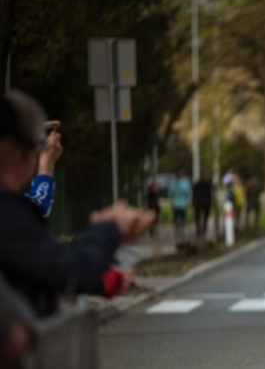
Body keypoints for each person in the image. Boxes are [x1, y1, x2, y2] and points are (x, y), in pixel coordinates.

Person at [0, 90, 154, 317]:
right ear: (24, 153)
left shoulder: (12, 212)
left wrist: (46, 162)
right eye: (37, 145)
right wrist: (110, 227)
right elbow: (62, 267)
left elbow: (35, 264)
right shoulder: (7, 215)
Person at [168, 170, 192, 239]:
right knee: (182, 217)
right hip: (183, 203)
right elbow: (188, 193)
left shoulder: (173, 184)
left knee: (176, 217)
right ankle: (182, 230)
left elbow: (170, 194)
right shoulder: (185, 184)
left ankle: (177, 230)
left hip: (175, 203)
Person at [193, 174, 213, 240]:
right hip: (204, 203)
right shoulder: (206, 185)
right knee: (203, 218)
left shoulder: (197, 185)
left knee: (199, 217)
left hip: (199, 203)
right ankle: (202, 229)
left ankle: (199, 230)